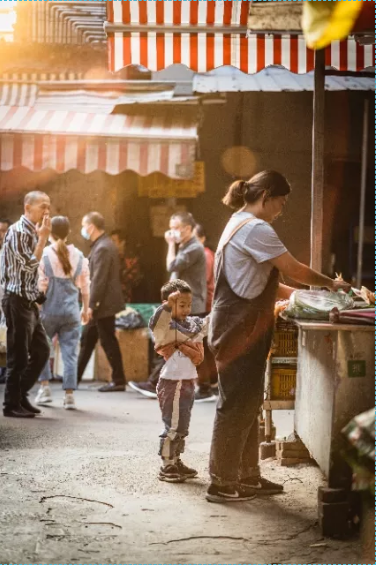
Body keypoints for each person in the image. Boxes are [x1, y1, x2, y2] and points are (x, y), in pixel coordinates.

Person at [206, 170, 352, 503]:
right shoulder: (256, 228)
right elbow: (292, 267)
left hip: (240, 324)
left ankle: (247, 476)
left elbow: (270, 280)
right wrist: (329, 284)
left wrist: (303, 296)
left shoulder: (238, 222)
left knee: (248, 403)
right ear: (266, 195)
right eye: (281, 202)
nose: (281, 210)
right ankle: (221, 481)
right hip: (238, 326)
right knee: (236, 404)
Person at [129, 212, 207, 398]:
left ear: (188, 228)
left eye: (176, 228)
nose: (172, 233)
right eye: (170, 228)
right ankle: (200, 387)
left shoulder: (193, 248)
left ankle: (155, 383)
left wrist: (170, 244)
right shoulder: (187, 246)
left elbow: (171, 266)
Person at [150, 279, 209, 482]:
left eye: (188, 305)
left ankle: (176, 459)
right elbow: (156, 323)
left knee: (182, 425)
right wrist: (167, 306)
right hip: (171, 382)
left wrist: (181, 343)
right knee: (172, 425)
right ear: (168, 303)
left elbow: (200, 352)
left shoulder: (192, 326)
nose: (186, 309)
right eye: (180, 304)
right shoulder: (165, 327)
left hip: (188, 381)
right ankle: (167, 464)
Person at [0, 191, 51, 418]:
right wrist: (43, 239)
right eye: (42, 206)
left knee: (41, 351)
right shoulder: (18, 231)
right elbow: (30, 265)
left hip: (28, 300)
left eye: (48, 206)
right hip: (15, 300)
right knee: (18, 356)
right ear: (27, 207)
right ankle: (11, 404)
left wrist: (37, 293)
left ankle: (20, 395)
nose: (46, 211)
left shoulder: (34, 231)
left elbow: (30, 272)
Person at [34, 216, 90, 410]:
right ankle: (69, 396)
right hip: (71, 311)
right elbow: (85, 288)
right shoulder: (80, 256)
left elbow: (41, 286)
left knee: (41, 349)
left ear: (50, 232)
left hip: (49, 310)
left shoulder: (45, 254)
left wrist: (38, 309)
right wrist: (85, 308)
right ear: (69, 233)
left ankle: (44, 389)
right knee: (70, 353)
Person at [77, 212, 126, 392]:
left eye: (84, 225)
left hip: (103, 305)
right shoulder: (101, 245)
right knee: (88, 339)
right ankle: (74, 378)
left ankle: (119, 380)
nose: (82, 229)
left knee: (107, 341)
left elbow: (99, 279)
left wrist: (91, 305)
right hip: (101, 305)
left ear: (91, 226)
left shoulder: (103, 247)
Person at [193, 223, 218, 403]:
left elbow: (202, 282)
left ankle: (203, 386)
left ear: (202, 238)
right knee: (205, 347)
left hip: (204, 304)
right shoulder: (208, 254)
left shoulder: (204, 255)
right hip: (208, 304)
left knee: (198, 344)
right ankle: (212, 382)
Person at [110, 229, 142, 304]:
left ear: (122, 243)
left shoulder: (132, 260)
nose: (111, 244)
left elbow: (134, 281)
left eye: (114, 241)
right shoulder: (108, 258)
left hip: (125, 299)